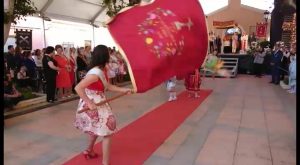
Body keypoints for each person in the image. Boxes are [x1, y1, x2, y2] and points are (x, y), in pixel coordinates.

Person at [74, 45, 132, 165]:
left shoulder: (103, 69)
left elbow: (108, 86)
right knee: (107, 131)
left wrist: (124, 90)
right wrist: (89, 103)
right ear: (105, 56)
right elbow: (78, 88)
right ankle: (105, 163)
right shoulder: (95, 74)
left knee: (99, 129)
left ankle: (89, 150)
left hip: (99, 100)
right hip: (92, 103)